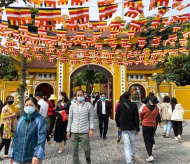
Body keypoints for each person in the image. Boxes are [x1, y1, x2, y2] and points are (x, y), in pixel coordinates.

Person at [10, 97, 47, 164]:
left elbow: (42, 139)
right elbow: (16, 138)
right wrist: (12, 154)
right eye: (26, 105)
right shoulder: (21, 119)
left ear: (36, 107)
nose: (28, 107)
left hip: (32, 158)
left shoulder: (41, 120)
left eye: (31, 105)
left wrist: (37, 155)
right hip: (18, 157)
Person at [66, 89, 94, 164]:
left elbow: (91, 118)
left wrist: (91, 129)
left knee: (86, 149)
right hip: (74, 131)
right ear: (76, 96)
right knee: (74, 151)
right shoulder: (72, 106)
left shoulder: (88, 105)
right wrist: (68, 131)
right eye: (78, 95)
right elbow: (70, 119)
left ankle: (88, 158)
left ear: (84, 95)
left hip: (84, 131)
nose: (79, 97)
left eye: (81, 95)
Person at [115, 92, 140, 164]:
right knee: (133, 143)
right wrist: (137, 128)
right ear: (129, 97)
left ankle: (129, 161)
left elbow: (117, 117)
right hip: (132, 127)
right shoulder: (134, 105)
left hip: (124, 127)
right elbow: (136, 118)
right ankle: (132, 156)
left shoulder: (120, 105)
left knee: (126, 144)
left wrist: (118, 125)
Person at [140, 96, 159, 162]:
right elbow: (156, 116)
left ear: (150, 100)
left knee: (147, 140)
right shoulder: (157, 108)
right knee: (151, 139)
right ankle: (150, 153)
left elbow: (141, 115)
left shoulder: (145, 107)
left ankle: (150, 155)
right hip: (153, 125)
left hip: (145, 125)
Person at [0, 96, 17, 161]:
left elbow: (9, 114)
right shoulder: (4, 108)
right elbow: (3, 117)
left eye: (12, 99)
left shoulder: (10, 107)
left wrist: (14, 114)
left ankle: (6, 153)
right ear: (6, 100)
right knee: (4, 140)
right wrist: (12, 115)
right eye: (10, 99)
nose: (11, 100)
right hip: (5, 126)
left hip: (9, 126)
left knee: (8, 139)